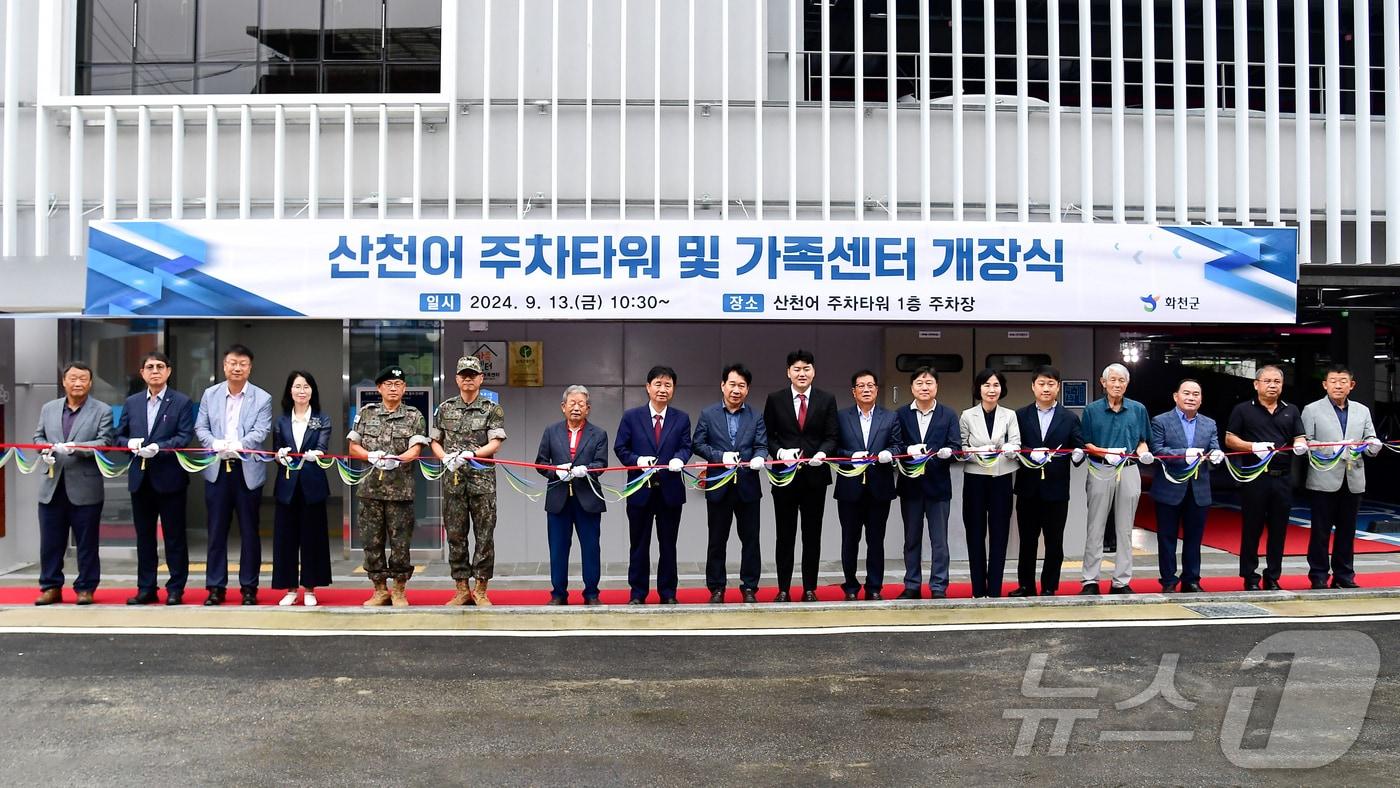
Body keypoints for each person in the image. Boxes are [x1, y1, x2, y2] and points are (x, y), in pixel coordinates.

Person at [194, 344, 272, 606]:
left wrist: (240, 444)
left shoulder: (262, 398)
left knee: (249, 531)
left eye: (243, 364)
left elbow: (261, 431)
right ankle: (215, 587)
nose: (237, 368)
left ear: (250, 367)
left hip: (246, 469)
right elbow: (201, 427)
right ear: (224, 365)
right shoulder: (210, 394)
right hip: (217, 469)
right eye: (232, 363)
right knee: (216, 531)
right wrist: (214, 443)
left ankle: (249, 587)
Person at [115, 352, 195, 606]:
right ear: (142, 373)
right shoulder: (132, 403)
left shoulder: (181, 401)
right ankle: (146, 587)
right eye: (150, 367)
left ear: (169, 371)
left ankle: (175, 588)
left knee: (174, 537)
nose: (155, 371)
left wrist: (159, 447)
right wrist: (129, 444)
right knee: (145, 538)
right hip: (141, 479)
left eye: (160, 366)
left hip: (170, 478)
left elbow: (184, 436)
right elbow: (118, 436)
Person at [31, 362, 113, 606]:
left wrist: (76, 448)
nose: (78, 383)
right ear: (64, 382)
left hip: (85, 487)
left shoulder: (102, 410)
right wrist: (45, 449)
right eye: (73, 378)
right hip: (51, 485)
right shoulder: (49, 408)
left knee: (87, 543)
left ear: (90, 383)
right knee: (50, 542)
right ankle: (50, 586)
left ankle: (85, 588)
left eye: (83, 379)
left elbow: (105, 442)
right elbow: (38, 436)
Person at [347, 365, 429, 606]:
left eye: (398, 384)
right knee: (371, 542)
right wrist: (369, 456)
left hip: (400, 492)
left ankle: (399, 589)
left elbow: (416, 449)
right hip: (370, 491)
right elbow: (353, 447)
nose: (393, 388)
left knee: (400, 543)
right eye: (388, 384)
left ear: (404, 388)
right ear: (379, 388)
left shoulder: (414, 416)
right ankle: (380, 589)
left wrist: (398, 459)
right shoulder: (366, 413)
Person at [763, 349, 840, 602]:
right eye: (796, 369)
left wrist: (823, 453)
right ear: (788, 372)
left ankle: (809, 588)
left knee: (812, 535)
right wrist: (780, 452)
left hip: (815, 478)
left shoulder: (826, 399)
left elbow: (832, 436)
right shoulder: (775, 399)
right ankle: (783, 588)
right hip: (784, 478)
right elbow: (768, 436)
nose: (802, 373)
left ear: (814, 372)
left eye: (806, 369)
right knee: (784, 535)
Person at [431, 356, 507, 606]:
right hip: (453, 481)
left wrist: (472, 454)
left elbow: (495, 443)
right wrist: (444, 458)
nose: (468, 379)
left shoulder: (491, 408)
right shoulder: (444, 409)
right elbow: (434, 441)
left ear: (480, 379)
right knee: (455, 535)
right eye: (463, 375)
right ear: (456, 379)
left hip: (482, 483)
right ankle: (462, 588)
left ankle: (481, 589)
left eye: (472, 375)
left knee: (484, 536)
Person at [1300, 364, 1384, 590]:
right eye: (1333, 381)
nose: (1338, 385)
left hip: (1353, 477)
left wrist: (1373, 445)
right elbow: (1306, 442)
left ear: (1351, 385)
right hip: (1323, 477)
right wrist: (1333, 447)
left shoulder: (1362, 410)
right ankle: (1318, 574)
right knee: (1320, 531)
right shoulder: (1311, 409)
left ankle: (1344, 574)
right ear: (1324, 384)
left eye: (1343, 381)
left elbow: (1370, 439)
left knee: (1347, 531)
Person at [614, 365, 692, 605]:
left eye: (668, 385)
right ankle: (637, 593)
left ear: (673, 389)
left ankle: (668, 593)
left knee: (668, 545)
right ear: (648, 387)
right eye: (658, 384)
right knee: (639, 544)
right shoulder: (631, 416)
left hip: (670, 491)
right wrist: (637, 461)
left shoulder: (681, 418)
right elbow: (620, 447)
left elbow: (686, 446)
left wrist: (680, 458)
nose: (662, 389)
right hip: (640, 490)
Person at [1224, 365, 1307, 591]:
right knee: (1252, 529)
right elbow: (1230, 439)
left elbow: (1299, 436)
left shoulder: (1291, 410)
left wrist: (1301, 445)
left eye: (1277, 382)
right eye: (1267, 381)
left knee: (1279, 530)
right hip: (1255, 477)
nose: (1272, 386)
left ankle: (1273, 576)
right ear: (1256, 384)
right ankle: (1250, 576)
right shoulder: (1243, 409)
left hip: (1283, 479)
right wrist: (1252, 447)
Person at [693, 363, 769, 603]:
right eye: (732, 384)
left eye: (742, 386)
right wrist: (719, 457)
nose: (736, 390)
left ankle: (749, 587)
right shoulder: (708, 414)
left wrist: (760, 457)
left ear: (747, 389)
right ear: (723, 385)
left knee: (751, 540)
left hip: (748, 487)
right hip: (719, 486)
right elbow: (698, 443)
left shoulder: (755, 415)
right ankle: (717, 588)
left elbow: (762, 445)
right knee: (717, 540)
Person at [1010, 365, 1085, 597]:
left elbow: (1078, 446)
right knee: (1027, 541)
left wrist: (1079, 454)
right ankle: (1026, 585)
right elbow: (1014, 445)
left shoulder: (1069, 417)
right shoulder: (1020, 415)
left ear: (1058, 387)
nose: (1046, 388)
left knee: (1054, 542)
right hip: (1028, 488)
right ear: (1033, 386)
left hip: (1056, 489)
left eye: (1051, 384)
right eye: (1041, 384)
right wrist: (1027, 452)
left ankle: (1050, 586)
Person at [1079, 363, 1152, 595]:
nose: (1117, 384)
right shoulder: (1092, 410)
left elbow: (1142, 440)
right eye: (1113, 380)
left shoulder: (1138, 409)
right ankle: (1090, 580)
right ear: (1103, 383)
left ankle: (1121, 581)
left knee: (1125, 528)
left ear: (1127, 384)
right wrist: (1105, 453)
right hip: (1100, 469)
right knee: (1095, 526)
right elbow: (1086, 443)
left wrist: (1143, 452)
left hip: (1129, 468)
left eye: (1122, 380)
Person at [834, 370, 904, 601]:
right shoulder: (841, 417)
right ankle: (850, 586)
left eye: (870, 385)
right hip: (850, 488)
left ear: (877, 389)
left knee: (876, 540)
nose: (866, 390)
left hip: (879, 488)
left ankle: (874, 587)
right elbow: (834, 448)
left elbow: (898, 445)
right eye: (861, 386)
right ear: (853, 391)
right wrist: (850, 456)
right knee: (849, 540)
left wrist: (889, 453)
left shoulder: (890, 417)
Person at [536, 385, 609, 605]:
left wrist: (586, 470)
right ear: (563, 406)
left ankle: (592, 594)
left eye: (581, 404)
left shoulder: (599, 434)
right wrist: (555, 471)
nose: (576, 408)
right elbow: (540, 463)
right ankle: (558, 594)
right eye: (572, 403)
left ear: (588, 408)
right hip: (558, 500)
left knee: (591, 548)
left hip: (588, 499)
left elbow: (601, 464)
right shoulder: (551, 431)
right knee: (558, 549)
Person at [1149, 379, 1224, 593]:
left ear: (1201, 399)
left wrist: (1216, 455)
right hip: (1169, 488)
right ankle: (1168, 580)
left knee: (1194, 538)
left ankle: (1192, 579)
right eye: (1187, 393)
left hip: (1198, 489)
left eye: (1196, 394)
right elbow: (1157, 450)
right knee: (1166, 537)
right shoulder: (1161, 421)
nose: (1191, 398)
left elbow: (1214, 447)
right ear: (1176, 396)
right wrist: (1184, 454)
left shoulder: (1209, 423)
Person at [894, 366, 961, 599]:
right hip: (910, 486)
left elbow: (956, 447)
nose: (924, 387)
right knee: (911, 539)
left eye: (929, 383)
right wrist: (908, 450)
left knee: (939, 541)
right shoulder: (901, 414)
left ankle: (939, 586)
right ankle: (912, 585)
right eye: (920, 383)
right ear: (912, 388)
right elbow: (895, 445)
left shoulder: (948, 414)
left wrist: (948, 453)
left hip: (938, 486)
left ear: (937, 386)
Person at [271, 371, 333, 606]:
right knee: (285, 538)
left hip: (312, 484)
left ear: (312, 391)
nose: (302, 391)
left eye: (306, 386)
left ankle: (309, 588)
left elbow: (322, 447)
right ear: (290, 390)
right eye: (297, 386)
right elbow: (276, 451)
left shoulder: (321, 419)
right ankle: (289, 589)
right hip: (287, 486)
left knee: (312, 538)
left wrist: (316, 454)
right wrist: (280, 456)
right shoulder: (281, 421)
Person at [959, 368, 1021, 599]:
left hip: (1001, 478)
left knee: (999, 534)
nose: (991, 390)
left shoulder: (1010, 415)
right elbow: (961, 449)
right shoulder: (967, 415)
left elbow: (1016, 444)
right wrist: (976, 453)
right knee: (975, 533)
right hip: (975, 478)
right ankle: (978, 589)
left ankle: (994, 590)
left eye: (996, 385)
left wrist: (1010, 449)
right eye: (986, 385)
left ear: (1001, 389)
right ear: (979, 388)